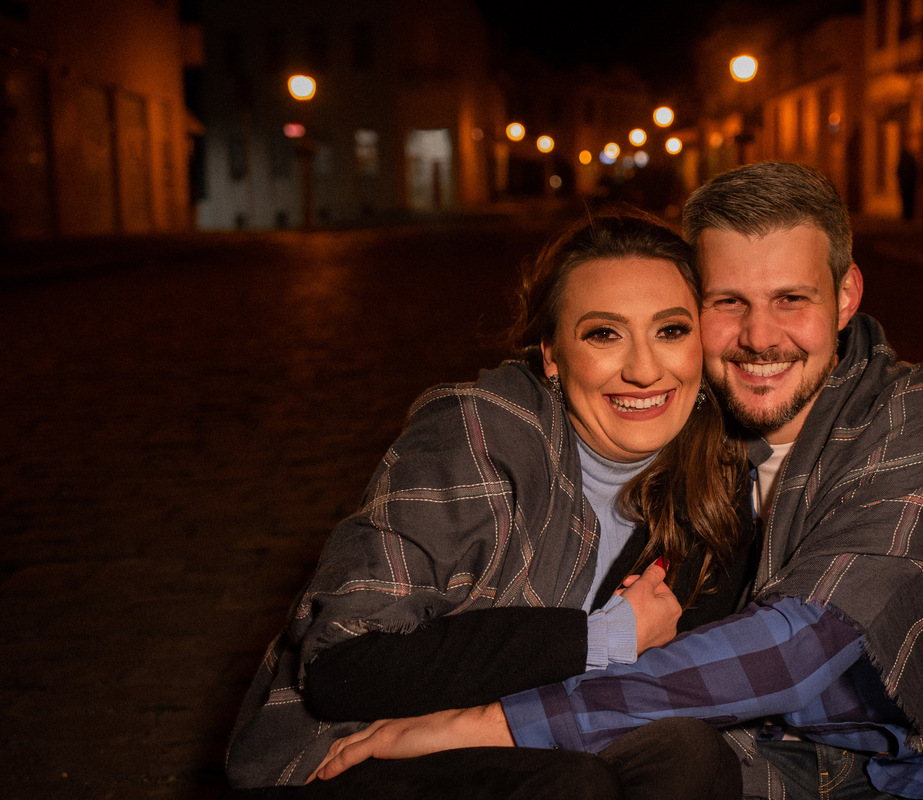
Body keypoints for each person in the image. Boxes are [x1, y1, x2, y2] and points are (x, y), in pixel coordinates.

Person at [312, 163, 923, 800]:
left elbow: (797, 647)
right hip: (743, 762)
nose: (759, 337)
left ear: (845, 296)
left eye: (792, 298)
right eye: (727, 303)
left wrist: (488, 723)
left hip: (897, 772)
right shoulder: (676, 429)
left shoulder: (921, 418)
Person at [223, 208, 756, 798]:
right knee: (571, 784)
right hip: (354, 751)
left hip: (517, 734)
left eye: (671, 330)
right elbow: (340, 670)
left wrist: (488, 725)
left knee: (689, 753)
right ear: (552, 353)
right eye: (604, 333)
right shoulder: (477, 437)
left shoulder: (712, 482)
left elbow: (673, 687)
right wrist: (599, 639)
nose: (644, 369)